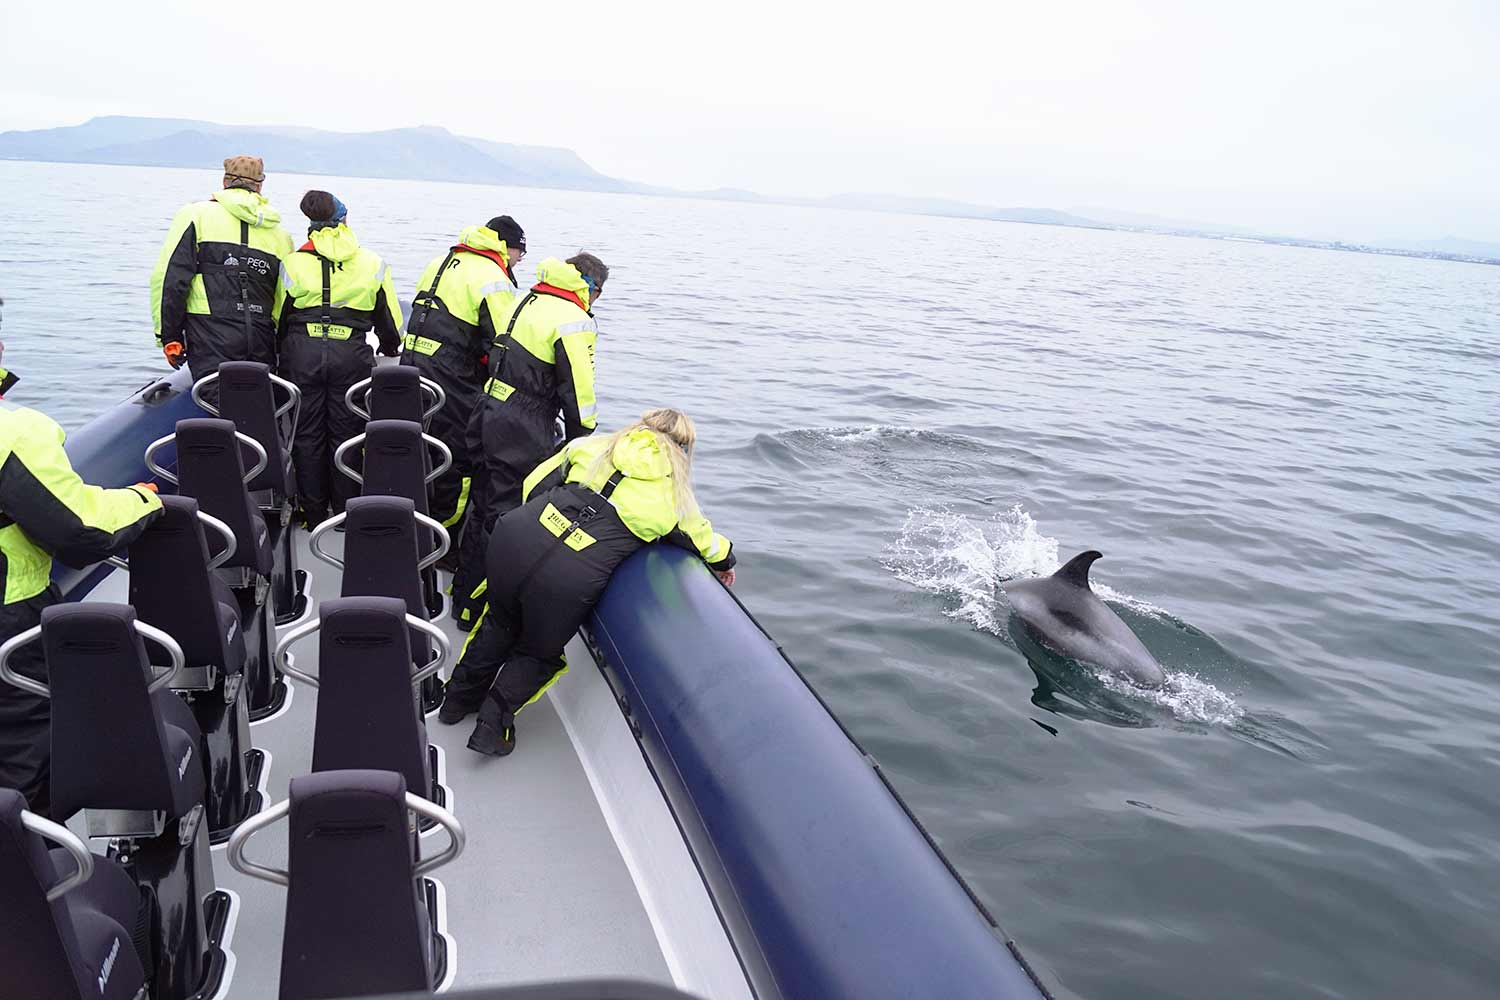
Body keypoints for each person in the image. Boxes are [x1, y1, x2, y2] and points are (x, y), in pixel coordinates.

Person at [441, 408, 736, 756]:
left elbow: (534, 484)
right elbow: (706, 542)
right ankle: (492, 729)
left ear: (640, 427)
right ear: (684, 450)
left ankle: (455, 703)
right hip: (569, 577)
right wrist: (726, 562)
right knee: (537, 652)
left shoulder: (591, 446)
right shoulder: (674, 499)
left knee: (499, 622)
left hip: (516, 537)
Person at [0, 358, 163, 817]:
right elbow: (81, 531)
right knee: (24, 762)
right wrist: (141, 499)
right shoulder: (15, 433)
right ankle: (31, 879)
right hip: (11, 618)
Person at [449, 252, 607, 631]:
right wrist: (583, 443)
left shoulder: (531, 299)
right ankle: (479, 608)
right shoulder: (574, 320)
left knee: (483, 505)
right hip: (522, 425)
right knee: (505, 516)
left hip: (489, 411)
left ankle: (462, 596)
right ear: (591, 289)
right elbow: (578, 392)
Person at [273, 191, 403, 526]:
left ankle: (313, 513)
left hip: (303, 355)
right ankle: (345, 512)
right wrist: (389, 347)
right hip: (351, 356)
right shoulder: (372, 263)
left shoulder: (292, 261)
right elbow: (389, 322)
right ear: (344, 220)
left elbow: (279, 318)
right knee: (348, 432)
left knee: (306, 434)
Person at [401, 217, 526, 545]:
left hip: (411, 367)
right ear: (505, 246)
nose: (519, 260)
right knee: (457, 459)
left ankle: (406, 520)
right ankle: (441, 540)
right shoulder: (493, 277)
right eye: (519, 252)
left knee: (415, 448)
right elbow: (503, 343)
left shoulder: (441, 261)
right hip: (451, 378)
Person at [150, 155, 295, 382]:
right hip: (260, 336)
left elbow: (171, 277)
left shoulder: (195, 215)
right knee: (257, 406)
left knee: (215, 403)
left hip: (209, 334)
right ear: (259, 186)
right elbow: (284, 297)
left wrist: (169, 336)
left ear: (225, 181)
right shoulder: (280, 235)